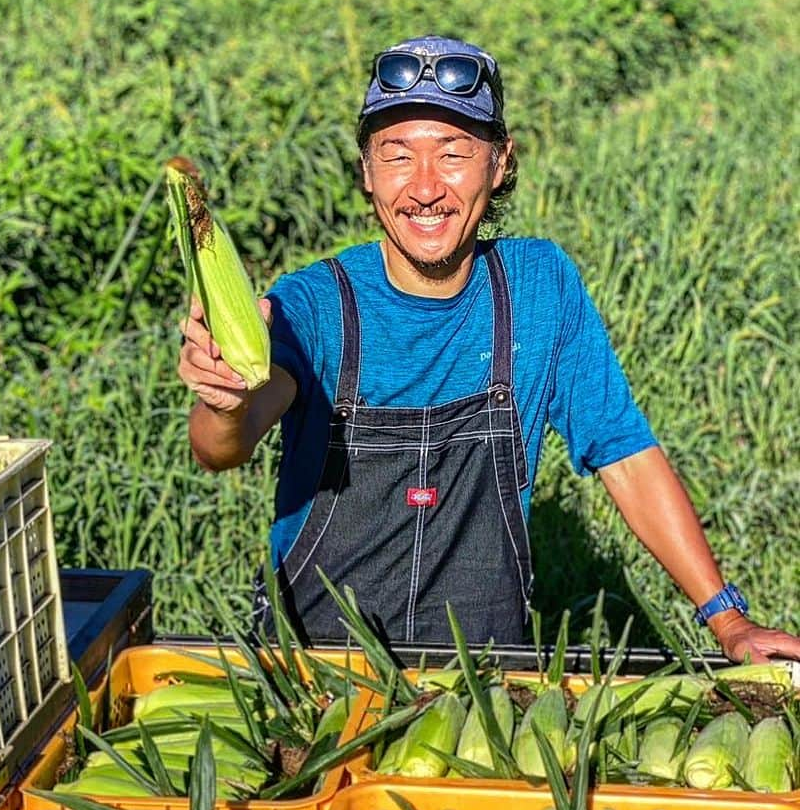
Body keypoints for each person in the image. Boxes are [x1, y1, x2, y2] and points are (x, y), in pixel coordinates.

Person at [178, 34, 800, 661]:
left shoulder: (538, 289)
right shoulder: (312, 303)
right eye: (396, 156)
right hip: (313, 667)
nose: (424, 188)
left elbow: (625, 453)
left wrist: (728, 621)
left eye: (453, 154)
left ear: (499, 163)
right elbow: (223, 446)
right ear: (366, 172)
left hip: (486, 678)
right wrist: (225, 403)